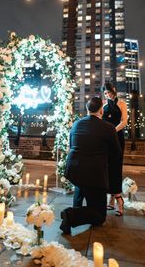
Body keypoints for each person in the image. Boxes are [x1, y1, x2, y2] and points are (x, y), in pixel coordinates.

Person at [60, 97, 122, 235]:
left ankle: (76, 210)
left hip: (74, 169)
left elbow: (72, 146)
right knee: (100, 216)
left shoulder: (76, 124)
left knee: (81, 185)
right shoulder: (109, 128)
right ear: (101, 110)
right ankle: (70, 215)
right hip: (94, 174)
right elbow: (116, 153)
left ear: (87, 110)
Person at [102, 81, 128, 216]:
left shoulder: (122, 104)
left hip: (117, 139)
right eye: (105, 93)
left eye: (109, 92)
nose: (108, 95)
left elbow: (124, 121)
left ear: (114, 91)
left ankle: (119, 200)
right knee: (107, 168)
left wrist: (113, 131)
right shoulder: (104, 106)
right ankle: (111, 197)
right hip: (107, 140)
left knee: (116, 167)